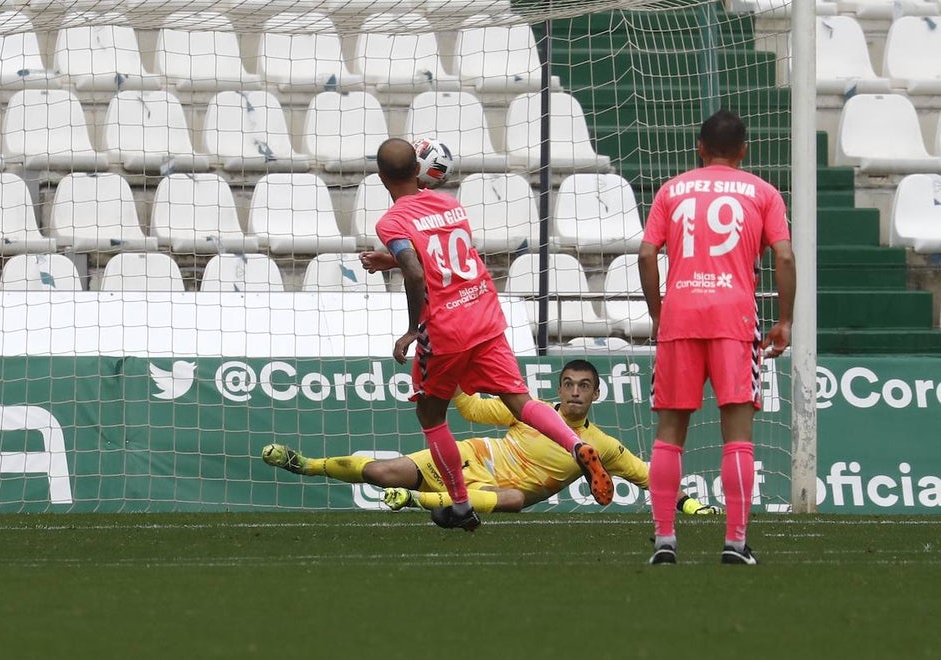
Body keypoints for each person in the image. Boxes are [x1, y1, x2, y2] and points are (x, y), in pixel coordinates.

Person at [358, 139, 612, 532]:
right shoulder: (450, 204)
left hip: (447, 327)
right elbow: (445, 253)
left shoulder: (391, 221)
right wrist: (388, 258)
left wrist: (413, 328)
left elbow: (414, 270)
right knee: (520, 400)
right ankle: (576, 445)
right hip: (485, 310)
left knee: (430, 415)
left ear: (381, 177)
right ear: (418, 171)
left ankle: (460, 505)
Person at [263, 359, 722, 515]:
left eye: (585, 387)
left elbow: (647, 477)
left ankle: (417, 502)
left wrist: (690, 503)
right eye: (569, 385)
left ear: (597, 393)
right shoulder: (531, 411)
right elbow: (470, 407)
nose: (576, 392)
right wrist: (450, 379)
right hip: (472, 456)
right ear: (559, 388)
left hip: (500, 491)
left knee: (514, 502)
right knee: (383, 471)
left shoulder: (600, 445)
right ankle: (305, 464)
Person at [638, 110, 795, 566]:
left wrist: (657, 314)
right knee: (738, 436)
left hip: (681, 318)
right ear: (743, 150)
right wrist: (784, 321)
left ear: (699, 147)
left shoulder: (672, 189)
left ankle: (665, 540)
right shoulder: (764, 192)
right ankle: (735, 542)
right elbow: (783, 257)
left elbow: (647, 254)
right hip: (734, 320)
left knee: (669, 435)